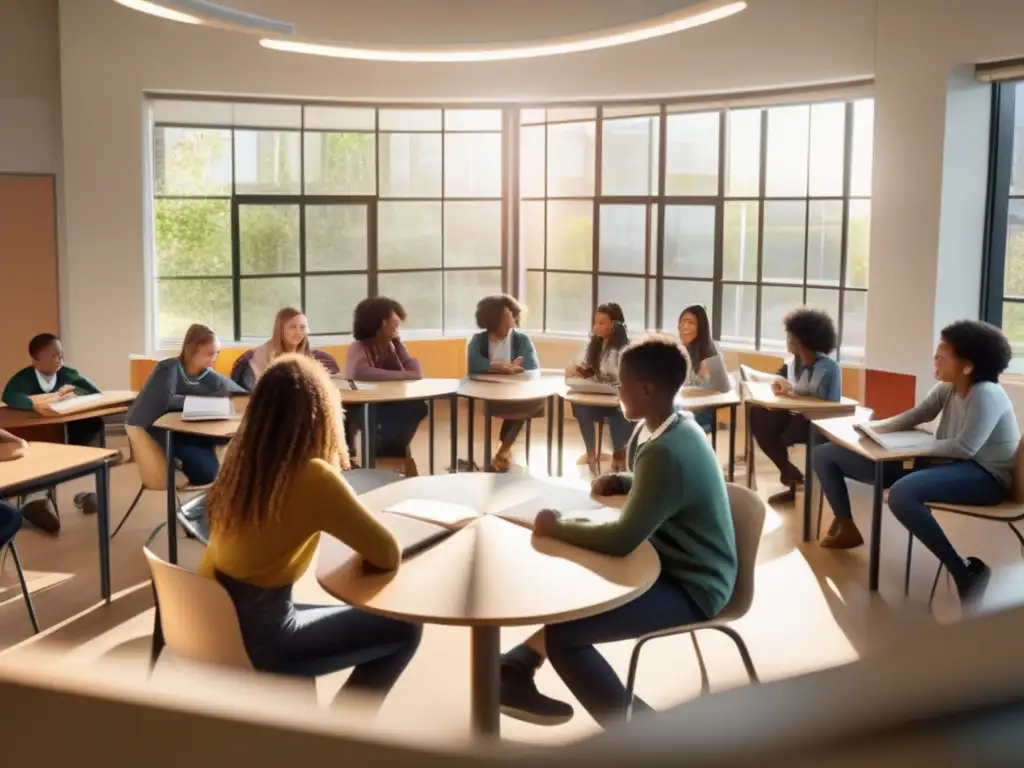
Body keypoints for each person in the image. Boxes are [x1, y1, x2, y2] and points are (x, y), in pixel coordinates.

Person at [499, 337, 737, 727]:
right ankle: (514, 667)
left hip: (693, 586)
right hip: (671, 560)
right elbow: (660, 483)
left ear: (646, 389)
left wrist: (556, 525)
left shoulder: (667, 451)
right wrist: (626, 481)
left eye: (621, 382)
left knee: (565, 638)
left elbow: (623, 538)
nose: (617, 389)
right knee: (574, 595)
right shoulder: (668, 423)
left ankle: (639, 738)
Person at [200, 354, 421, 705]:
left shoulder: (239, 460)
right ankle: (339, 739)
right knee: (406, 627)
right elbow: (387, 554)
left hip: (216, 622)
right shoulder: (315, 477)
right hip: (265, 639)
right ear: (321, 414)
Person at [813, 320, 1018, 606]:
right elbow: (915, 415)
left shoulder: (987, 393)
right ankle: (846, 525)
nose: (935, 358)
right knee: (826, 454)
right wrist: (873, 429)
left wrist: (915, 446)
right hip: (946, 463)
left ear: (967, 366)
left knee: (902, 494)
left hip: (985, 476)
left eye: (941, 354)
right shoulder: (947, 388)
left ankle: (964, 571)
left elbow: (964, 447)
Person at [126, 324, 246, 486]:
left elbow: (242, 395)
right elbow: (163, 401)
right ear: (191, 351)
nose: (214, 359)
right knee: (205, 473)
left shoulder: (210, 376)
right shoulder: (168, 369)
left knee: (219, 460)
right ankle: (177, 464)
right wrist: (201, 402)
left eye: (216, 353)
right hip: (161, 433)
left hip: (190, 432)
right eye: (209, 354)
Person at [3, 333, 104, 521]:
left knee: (93, 424)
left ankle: (88, 491)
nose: (60, 359)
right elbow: (10, 395)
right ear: (36, 360)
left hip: (68, 430)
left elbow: (94, 391)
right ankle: (36, 499)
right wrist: (35, 403)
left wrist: (75, 391)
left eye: (61, 354)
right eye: (54, 355)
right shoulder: (23, 378)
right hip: (40, 434)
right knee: (43, 436)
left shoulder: (67, 374)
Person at [229, 308, 354, 456]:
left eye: (303, 327)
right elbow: (253, 393)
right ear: (280, 329)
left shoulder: (315, 357)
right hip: (273, 412)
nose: (298, 332)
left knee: (343, 411)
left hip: (307, 408)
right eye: (292, 327)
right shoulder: (258, 357)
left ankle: (340, 460)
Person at [748, 308, 841, 505]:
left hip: (821, 421)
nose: (788, 339)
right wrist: (779, 382)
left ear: (803, 340)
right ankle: (790, 475)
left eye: (791, 336)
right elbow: (780, 377)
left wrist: (789, 390)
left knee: (784, 435)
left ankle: (793, 479)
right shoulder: (793, 362)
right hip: (799, 416)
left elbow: (814, 396)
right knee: (759, 416)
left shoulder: (827, 367)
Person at [344, 297, 427, 476]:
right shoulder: (358, 347)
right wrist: (404, 375)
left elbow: (413, 372)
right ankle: (386, 447)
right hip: (359, 408)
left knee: (417, 406)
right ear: (382, 324)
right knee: (401, 412)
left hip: (381, 404)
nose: (398, 327)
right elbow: (360, 372)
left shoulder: (389, 346)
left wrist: (398, 344)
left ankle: (389, 447)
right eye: (395, 323)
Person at [467, 294, 542, 472]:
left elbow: (533, 369)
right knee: (518, 409)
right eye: (509, 314)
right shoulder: (478, 340)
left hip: (516, 393)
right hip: (489, 394)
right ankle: (504, 450)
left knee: (530, 403)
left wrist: (517, 371)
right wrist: (498, 367)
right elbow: (473, 366)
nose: (514, 318)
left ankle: (503, 451)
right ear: (496, 318)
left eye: (514, 314)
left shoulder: (522, 340)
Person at [566, 303, 633, 476]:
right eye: (595, 322)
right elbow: (583, 367)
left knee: (622, 411)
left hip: (616, 399)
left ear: (615, 325)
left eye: (602, 323)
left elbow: (625, 376)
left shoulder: (626, 348)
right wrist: (576, 371)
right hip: (595, 398)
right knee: (579, 405)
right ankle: (590, 452)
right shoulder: (592, 344)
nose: (596, 327)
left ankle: (619, 453)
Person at [678, 304, 732, 434]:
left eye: (690, 323)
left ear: (700, 328)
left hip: (702, 415)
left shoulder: (710, 355)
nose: (685, 326)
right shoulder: (682, 350)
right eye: (683, 322)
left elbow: (723, 391)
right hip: (684, 409)